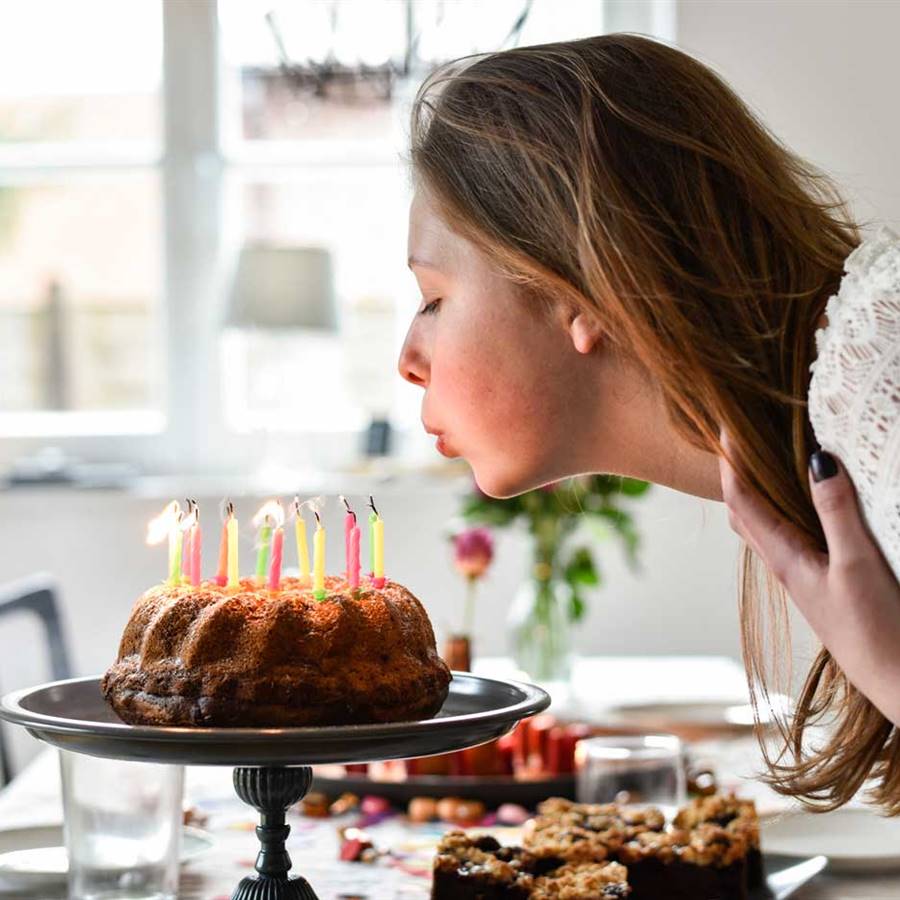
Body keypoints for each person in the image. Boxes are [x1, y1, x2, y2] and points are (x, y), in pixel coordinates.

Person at [398, 34, 900, 813]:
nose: (408, 356)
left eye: (433, 299)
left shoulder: (880, 369)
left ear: (576, 288)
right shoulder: (843, 409)